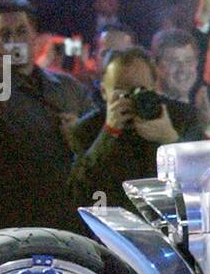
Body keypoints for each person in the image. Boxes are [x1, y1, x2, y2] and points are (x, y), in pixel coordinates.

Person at [0, 0, 92, 231]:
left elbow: (96, 144)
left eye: (21, 32)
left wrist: (78, 135)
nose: (14, 41)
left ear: (35, 37)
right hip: (9, 222)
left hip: (65, 217)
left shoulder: (68, 88)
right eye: (4, 34)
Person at [68, 47, 202, 211]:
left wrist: (171, 139)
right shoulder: (86, 130)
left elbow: (202, 179)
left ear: (154, 87)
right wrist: (108, 134)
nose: (132, 99)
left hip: (168, 224)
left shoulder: (181, 117)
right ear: (104, 92)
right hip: (112, 225)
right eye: (122, 92)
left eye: (140, 90)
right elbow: (76, 192)